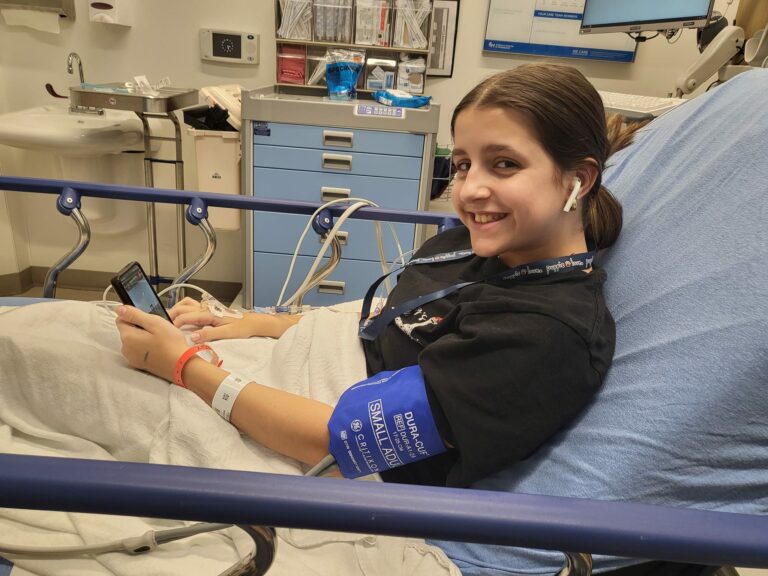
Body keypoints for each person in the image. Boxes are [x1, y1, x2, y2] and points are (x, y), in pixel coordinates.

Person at [116, 62, 643, 489]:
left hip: (309, 431)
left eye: (504, 164)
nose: (471, 191)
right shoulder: (481, 244)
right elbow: (396, 320)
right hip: (283, 368)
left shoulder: (545, 336)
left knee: (54, 360)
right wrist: (257, 323)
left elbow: (338, 441)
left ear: (579, 179)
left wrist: (183, 366)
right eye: (462, 165)